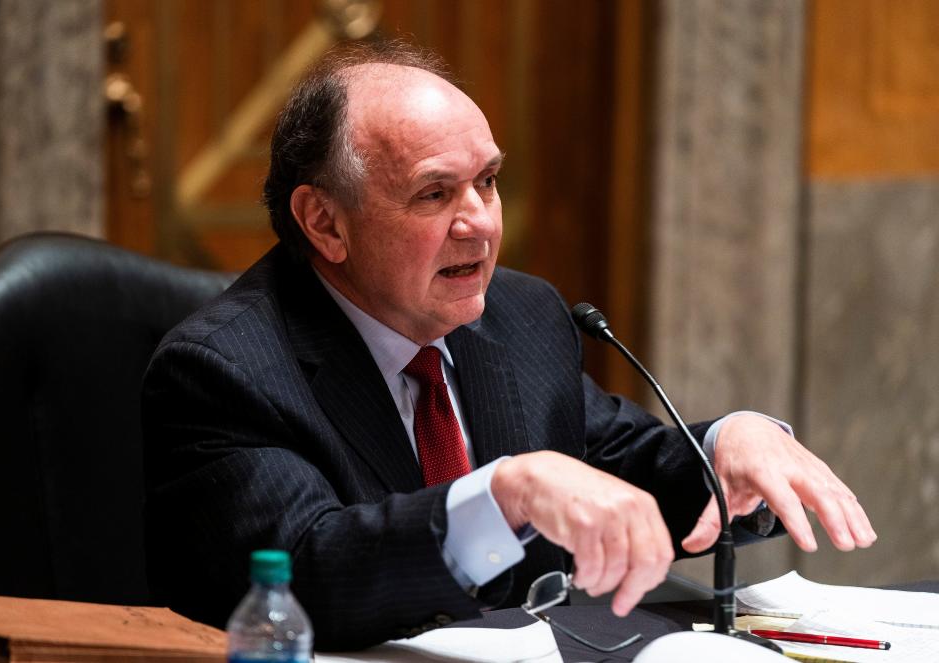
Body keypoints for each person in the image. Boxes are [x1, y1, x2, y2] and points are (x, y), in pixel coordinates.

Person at [141, 41, 876, 651]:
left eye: (487, 182)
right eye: (434, 194)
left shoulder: (522, 315)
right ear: (325, 223)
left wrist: (727, 447)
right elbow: (311, 573)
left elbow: (619, 472)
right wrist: (505, 494)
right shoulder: (223, 371)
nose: (480, 223)